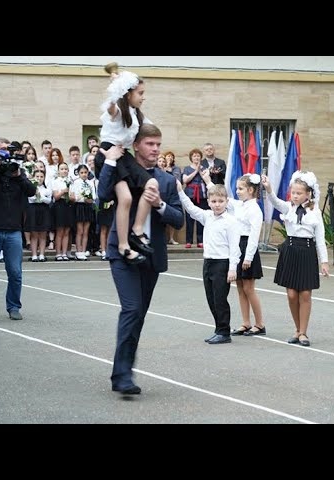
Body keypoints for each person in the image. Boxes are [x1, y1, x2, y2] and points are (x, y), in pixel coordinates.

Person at [97, 123, 184, 395]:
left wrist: (159, 204)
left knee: (139, 316)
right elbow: (101, 197)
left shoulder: (167, 180)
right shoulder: (124, 171)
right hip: (123, 253)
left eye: (158, 144)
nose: (155, 149)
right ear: (136, 145)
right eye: (150, 144)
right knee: (132, 309)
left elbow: (179, 220)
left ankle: (122, 372)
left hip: (150, 254)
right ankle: (123, 376)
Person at [93, 62, 158, 264]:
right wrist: (116, 89)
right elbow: (111, 108)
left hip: (124, 154)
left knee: (152, 184)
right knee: (126, 199)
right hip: (109, 152)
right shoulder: (119, 110)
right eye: (140, 93)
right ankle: (123, 245)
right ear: (128, 94)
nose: (143, 96)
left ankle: (137, 229)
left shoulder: (136, 113)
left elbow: (152, 128)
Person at [261, 170, 329, 347]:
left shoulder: (315, 213)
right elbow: (274, 202)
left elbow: (320, 239)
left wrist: (324, 261)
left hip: (307, 252)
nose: (295, 196)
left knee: (305, 294)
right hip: (290, 250)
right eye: (293, 192)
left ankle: (304, 332)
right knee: (292, 294)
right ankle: (297, 329)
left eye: (299, 193)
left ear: (308, 194)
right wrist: (268, 189)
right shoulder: (288, 207)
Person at [176, 181, 241, 345]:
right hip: (209, 262)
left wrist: (232, 269)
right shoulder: (207, 216)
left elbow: (235, 247)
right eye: (213, 201)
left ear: (226, 201)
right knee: (211, 298)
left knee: (220, 299)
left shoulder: (231, 222)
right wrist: (180, 191)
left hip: (222, 263)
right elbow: (190, 208)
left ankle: (224, 331)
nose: (217, 205)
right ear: (209, 201)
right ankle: (218, 328)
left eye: (220, 201)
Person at [0, 145, 37, 320]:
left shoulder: (19, 176)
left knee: (15, 272)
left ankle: (13, 306)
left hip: (14, 232)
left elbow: (31, 190)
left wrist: (18, 175)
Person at [226, 173, 266, 337]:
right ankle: (245, 322)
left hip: (247, 246)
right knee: (240, 288)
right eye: (237, 188)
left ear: (250, 190)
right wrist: (208, 181)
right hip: (238, 246)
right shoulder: (241, 205)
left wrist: (248, 257)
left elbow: (254, 235)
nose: (237, 191)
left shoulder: (254, 209)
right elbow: (226, 200)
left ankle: (260, 324)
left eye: (241, 188)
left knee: (249, 288)